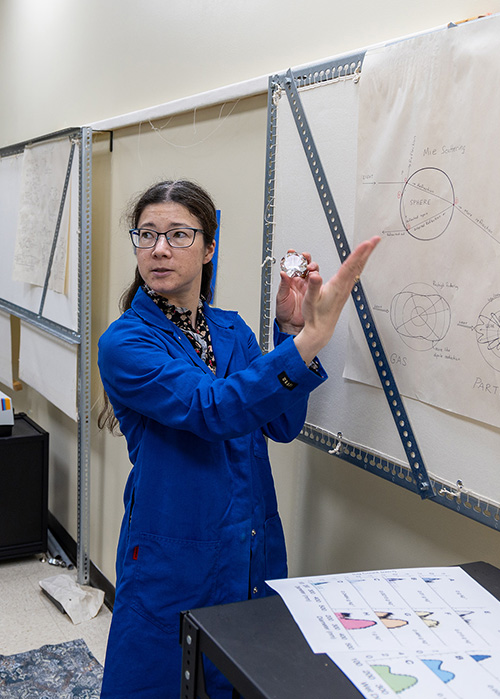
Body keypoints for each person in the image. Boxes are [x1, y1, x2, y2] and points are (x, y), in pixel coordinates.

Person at [96, 180, 379, 697]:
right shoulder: (125, 342)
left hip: (248, 540)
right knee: (159, 680)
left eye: (178, 234)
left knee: (244, 676)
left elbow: (281, 426)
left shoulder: (231, 330)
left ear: (209, 248)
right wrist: (311, 341)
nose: (159, 248)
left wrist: (291, 335)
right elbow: (213, 410)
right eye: (147, 234)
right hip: (173, 547)